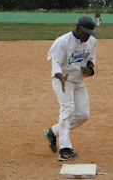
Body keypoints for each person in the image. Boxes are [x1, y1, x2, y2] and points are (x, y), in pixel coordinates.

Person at [44, 16, 98, 161]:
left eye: (90, 33)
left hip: (78, 82)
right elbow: (55, 63)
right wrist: (61, 79)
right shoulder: (62, 42)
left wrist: (90, 70)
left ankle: (53, 131)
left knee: (83, 114)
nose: (88, 36)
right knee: (68, 109)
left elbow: (91, 60)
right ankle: (65, 149)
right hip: (62, 80)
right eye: (86, 32)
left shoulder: (92, 42)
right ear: (78, 28)